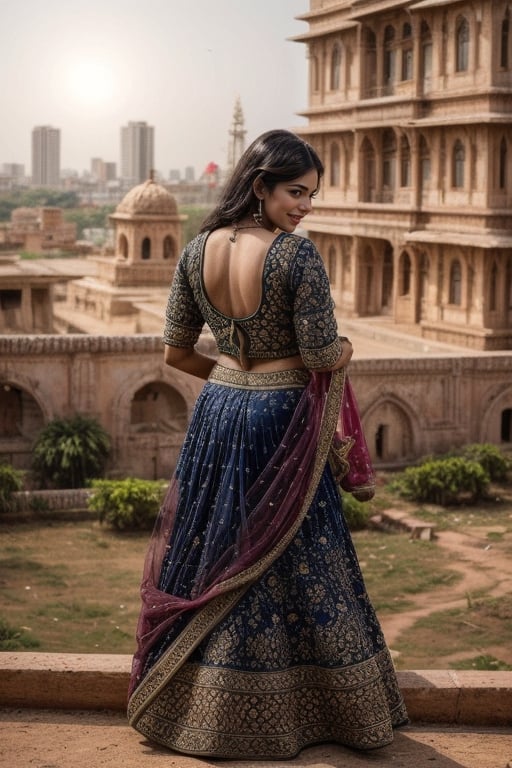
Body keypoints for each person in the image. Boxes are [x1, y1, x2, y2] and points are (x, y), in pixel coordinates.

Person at [127, 129, 408, 759]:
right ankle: (323, 711)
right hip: (281, 417)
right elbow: (316, 353)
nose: (305, 206)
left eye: (311, 195)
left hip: (219, 411)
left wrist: (233, 377)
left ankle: (195, 709)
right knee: (299, 553)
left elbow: (175, 353)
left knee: (216, 549)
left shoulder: (195, 249)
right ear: (260, 187)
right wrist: (343, 352)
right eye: (295, 192)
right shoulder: (295, 256)